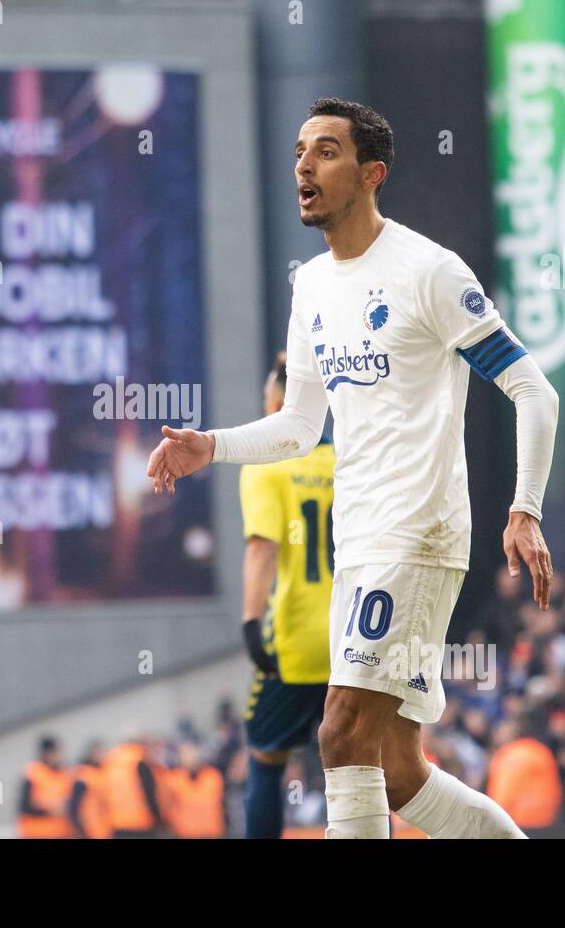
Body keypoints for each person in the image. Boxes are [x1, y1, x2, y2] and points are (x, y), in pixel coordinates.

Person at [148, 98, 559, 839]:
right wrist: (210, 445)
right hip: (359, 544)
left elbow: (534, 388)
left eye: (326, 151)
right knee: (397, 771)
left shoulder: (428, 271)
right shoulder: (310, 284)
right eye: (301, 149)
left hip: (417, 534)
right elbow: (300, 427)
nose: (303, 164)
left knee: (338, 734)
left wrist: (523, 508)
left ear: (372, 174)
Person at [238, 352, 334, 838]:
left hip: (296, 638)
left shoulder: (267, 462)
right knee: (363, 765)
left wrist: (251, 623)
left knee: (265, 757)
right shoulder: (349, 460)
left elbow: (262, 550)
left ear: (278, 401)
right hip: (356, 634)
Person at [17, 736, 74, 838]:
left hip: (61, 833)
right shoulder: (33, 773)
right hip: (37, 833)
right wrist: (49, 811)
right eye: (55, 753)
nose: (58, 756)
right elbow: (24, 806)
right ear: (45, 754)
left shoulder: (65, 774)